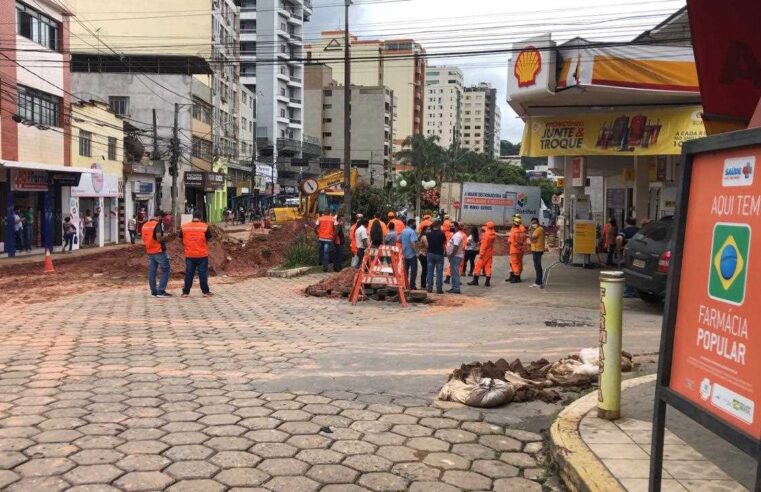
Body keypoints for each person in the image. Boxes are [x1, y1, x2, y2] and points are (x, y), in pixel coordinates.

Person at [179, 210, 213, 297]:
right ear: (201, 217)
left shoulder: (184, 227)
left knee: (189, 273)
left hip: (189, 254)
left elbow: (181, 239)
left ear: (193, 217)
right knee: (202, 274)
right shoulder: (205, 227)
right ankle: (205, 292)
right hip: (202, 255)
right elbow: (209, 239)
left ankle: (185, 292)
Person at [142, 210, 172, 298]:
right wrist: (166, 236)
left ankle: (154, 291)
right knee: (166, 270)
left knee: (152, 272)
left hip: (149, 251)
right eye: (162, 218)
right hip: (158, 251)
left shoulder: (145, 225)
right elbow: (159, 238)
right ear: (159, 217)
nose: (162, 220)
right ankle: (161, 291)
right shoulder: (157, 225)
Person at [469, 222, 496, 286]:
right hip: (490, 252)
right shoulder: (493, 233)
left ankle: (475, 281)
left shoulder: (486, 234)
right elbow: (488, 242)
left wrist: (481, 254)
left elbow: (484, 245)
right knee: (487, 267)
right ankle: (487, 282)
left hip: (484, 253)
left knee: (478, 266)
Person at [425, 220, 446, 294]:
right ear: (439, 226)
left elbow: (427, 243)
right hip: (439, 254)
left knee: (430, 272)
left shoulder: (428, 234)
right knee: (439, 273)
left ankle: (429, 288)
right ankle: (439, 289)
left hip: (430, 253)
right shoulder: (442, 233)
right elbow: (444, 242)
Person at [399, 218, 419, 290]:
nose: (415, 225)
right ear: (411, 224)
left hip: (405, 254)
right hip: (412, 255)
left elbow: (398, 239)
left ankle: (406, 285)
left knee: (405, 271)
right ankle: (412, 285)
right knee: (413, 271)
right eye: (414, 223)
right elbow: (413, 243)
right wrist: (417, 252)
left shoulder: (403, 231)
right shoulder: (412, 232)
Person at [446, 222, 464, 294]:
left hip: (455, 256)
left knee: (455, 273)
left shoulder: (457, 236)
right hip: (455, 256)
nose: (451, 227)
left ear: (456, 227)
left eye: (452, 226)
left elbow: (456, 246)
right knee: (453, 272)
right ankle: (454, 287)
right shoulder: (456, 235)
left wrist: (452, 255)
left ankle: (456, 288)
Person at [508, 214, 527, 283]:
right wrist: (522, 247)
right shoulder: (521, 230)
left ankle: (516, 277)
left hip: (514, 250)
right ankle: (514, 276)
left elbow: (512, 240)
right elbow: (525, 241)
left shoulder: (520, 229)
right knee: (516, 263)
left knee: (515, 263)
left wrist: (518, 246)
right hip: (519, 250)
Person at [529, 217, 546, 288]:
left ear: (538, 223)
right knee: (537, 266)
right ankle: (538, 282)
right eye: (532, 223)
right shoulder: (538, 229)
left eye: (535, 223)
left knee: (537, 266)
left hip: (537, 250)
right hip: (536, 249)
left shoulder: (539, 229)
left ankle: (538, 282)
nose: (533, 224)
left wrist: (530, 230)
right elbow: (533, 240)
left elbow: (532, 237)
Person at [418, 225, 429, 290]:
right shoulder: (424, 237)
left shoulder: (421, 236)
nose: (429, 230)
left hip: (422, 254)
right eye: (428, 229)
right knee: (425, 270)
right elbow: (427, 246)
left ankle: (423, 285)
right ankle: (423, 285)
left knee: (425, 270)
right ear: (425, 230)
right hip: (423, 255)